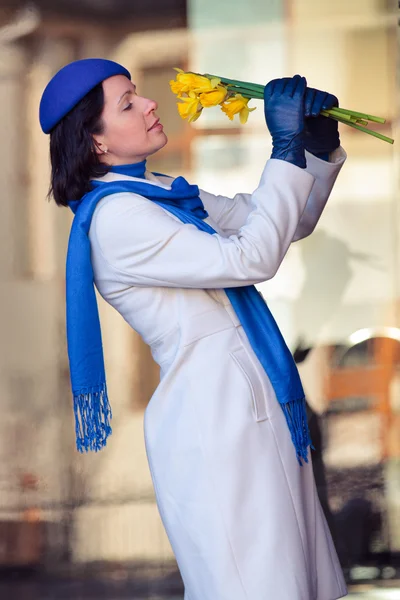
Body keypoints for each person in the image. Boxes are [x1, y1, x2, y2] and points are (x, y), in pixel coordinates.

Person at [39, 58, 348, 600]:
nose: (151, 103)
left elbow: (280, 222)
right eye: (128, 104)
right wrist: (282, 150)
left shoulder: (160, 193)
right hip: (215, 420)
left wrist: (314, 152)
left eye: (138, 94)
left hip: (247, 406)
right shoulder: (118, 219)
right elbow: (252, 257)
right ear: (95, 144)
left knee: (290, 584)